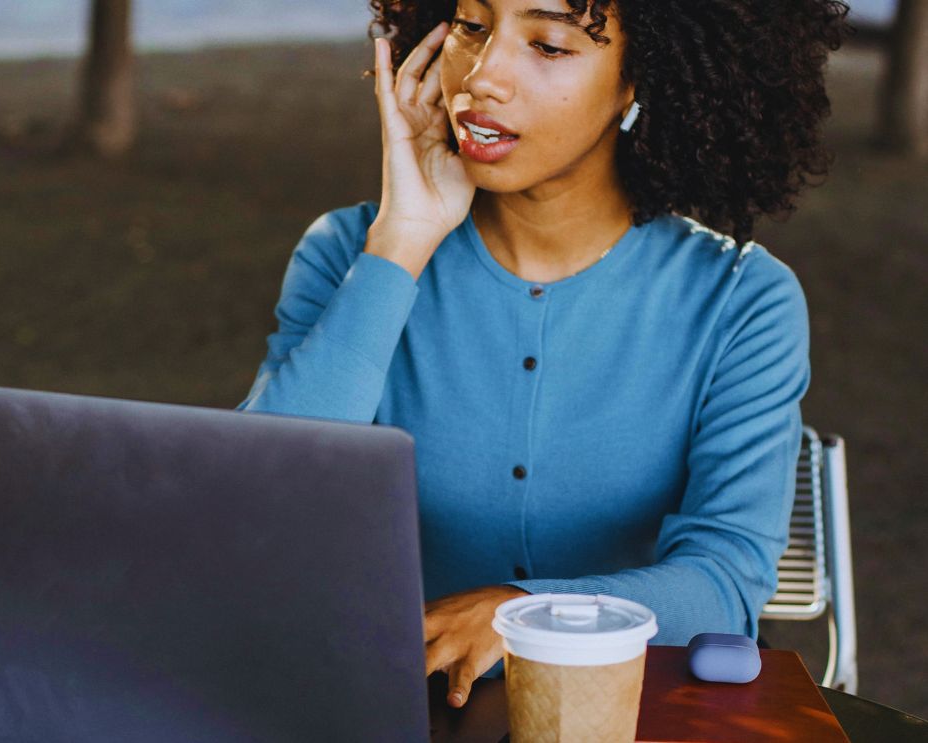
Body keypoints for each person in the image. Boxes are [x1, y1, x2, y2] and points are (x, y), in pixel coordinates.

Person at [235, 0, 852, 710]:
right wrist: (402, 238)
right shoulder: (351, 255)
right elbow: (259, 512)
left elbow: (722, 583)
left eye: (549, 45)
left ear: (636, 78)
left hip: (633, 713)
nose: (483, 77)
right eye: (470, 26)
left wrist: (519, 614)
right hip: (397, 707)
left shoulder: (742, 300)